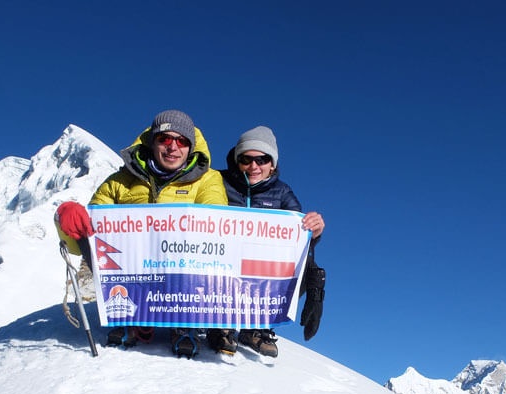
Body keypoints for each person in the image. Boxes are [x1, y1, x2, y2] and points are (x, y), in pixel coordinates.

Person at [55, 109, 228, 357]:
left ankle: (185, 322)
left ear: (191, 147)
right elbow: (92, 231)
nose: (173, 147)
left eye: (181, 141)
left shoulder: (207, 180)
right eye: (165, 139)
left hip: (182, 273)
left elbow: (216, 223)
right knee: (104, 245)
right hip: (133, 271)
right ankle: (131, 318)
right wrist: (65, 216)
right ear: (152, 141)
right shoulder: (119, 181)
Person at [214, 125, 326, 357]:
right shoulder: (218, 182)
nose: (254, 166)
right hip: (222, 264)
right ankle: (218, 322)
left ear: (272, 164)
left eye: (262, 159)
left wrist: (312, 233)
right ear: (237, 161)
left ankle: (256, 327)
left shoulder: (283, 194)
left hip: (258, 266)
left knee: (298, 266)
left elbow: (296, 242)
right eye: (246, 159)